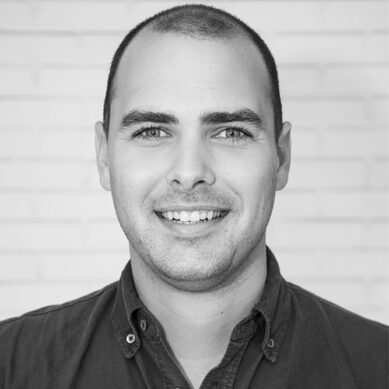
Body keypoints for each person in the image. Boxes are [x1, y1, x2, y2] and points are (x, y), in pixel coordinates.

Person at [0, 4, 387, 389]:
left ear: (281, 157)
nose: (189, 173)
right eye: (151, 131)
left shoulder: (378, 365)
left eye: (231, 132)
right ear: (104, 157)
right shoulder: (12, 363)